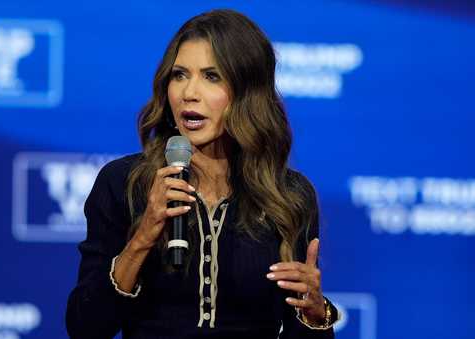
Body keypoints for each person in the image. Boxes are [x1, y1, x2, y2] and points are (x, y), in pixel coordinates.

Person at [66, 9, 339, 339]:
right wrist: (142, 237)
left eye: (211, 76)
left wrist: (313, 313)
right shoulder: (125, 183)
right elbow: (85, 327)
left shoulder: (288, 195)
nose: (188, 93)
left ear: (246, 91)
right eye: (179, 75)